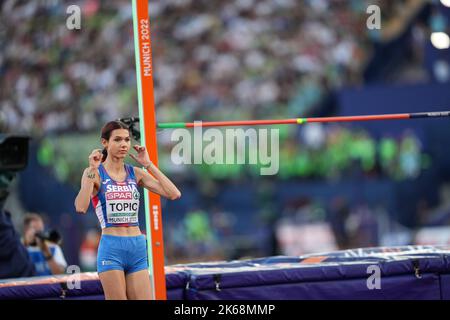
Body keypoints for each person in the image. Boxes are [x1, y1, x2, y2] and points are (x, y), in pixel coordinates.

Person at [74, 120, 181, 300]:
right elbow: (80, 206)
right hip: (112, 248)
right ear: (105, 143)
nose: (123, 144)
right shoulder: (95, 173)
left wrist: (148, 164)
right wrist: (92, 169)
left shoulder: (135, 173)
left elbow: (174, 193)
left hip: (137, 247)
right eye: (117, 140)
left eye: (126, 140)